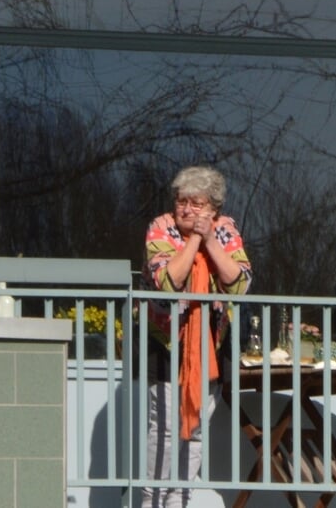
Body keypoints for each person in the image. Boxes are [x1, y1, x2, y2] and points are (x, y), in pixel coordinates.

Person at [142, 165, 251, 508]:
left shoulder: (226, 229)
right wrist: (192, 240)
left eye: (196, 204)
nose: (186, 210)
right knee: (167, 433)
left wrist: (210, 242)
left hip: (208, 351)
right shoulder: (161, 228)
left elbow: (240, 283)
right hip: (168, 345)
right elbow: (168, 282)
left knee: (195, 433)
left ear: (214, 208)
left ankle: (179, 503)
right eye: (181, 202)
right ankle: (153, 503)